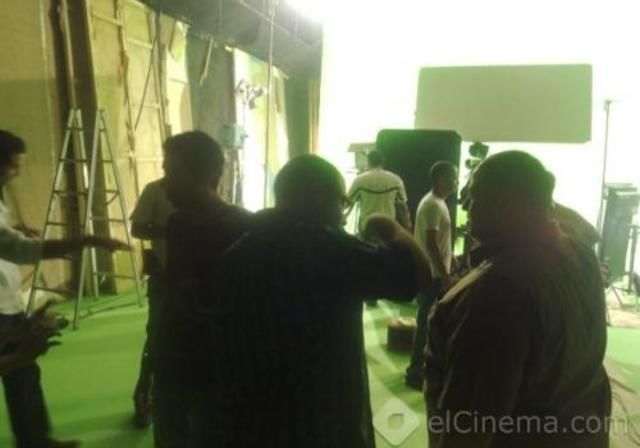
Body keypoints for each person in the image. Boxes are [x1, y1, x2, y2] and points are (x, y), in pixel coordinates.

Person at [202, 154, 430, 448]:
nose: (342, 214)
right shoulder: (330, 248)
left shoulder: (236, 253)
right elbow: (417, 275)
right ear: (320, 198)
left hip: (250, 419)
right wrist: (388, 226)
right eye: (341, 202)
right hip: (322, 420)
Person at [425, 151, 611, 448]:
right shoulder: (581, 257)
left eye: (475, 196)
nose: (468, 206)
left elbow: (468, 429)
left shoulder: (495, 291)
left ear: (506, 204)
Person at [0, 129, 129, 448]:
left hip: (7, 300)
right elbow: (17, 249)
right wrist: (85, 240)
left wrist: (15, 230)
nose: (16, 173)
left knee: (23, 371)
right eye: (12, 165)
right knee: (17, 364)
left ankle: (35, 439)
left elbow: (9, 240)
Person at [152, 131, 252, 448]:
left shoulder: (242, 227)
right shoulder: (178, 224)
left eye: (171, 172)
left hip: (214, 374)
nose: (164, 183)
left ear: (203, 175)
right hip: (176, 366)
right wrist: (151, 365)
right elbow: (172, 299)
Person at [405, 161, 458, 390]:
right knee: (426, 323)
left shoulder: (436, 203)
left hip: (432, 273)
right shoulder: (433, 205)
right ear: (441, 179)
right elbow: (430, 242)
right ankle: (416, 372)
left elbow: (438, 241)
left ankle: (418, 370)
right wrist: (445, 275)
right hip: (432, 276)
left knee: (427, 322)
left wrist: (451, 257)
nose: (456, 182)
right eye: (453, 177)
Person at [130, 177, 176, 428]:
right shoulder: (156, 189)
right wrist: (172, 231)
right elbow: (137, 228)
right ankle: (144, 398)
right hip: (164, 273)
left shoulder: (206, 185)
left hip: (198, 276)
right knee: (157, 336)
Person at [347, 150, 411, 234]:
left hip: (367, 226)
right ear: (382, 162)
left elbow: (347, 202)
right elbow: (402, 206)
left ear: (368, 162)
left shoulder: (360, 180)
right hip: (388, 226)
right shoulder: (395, 179)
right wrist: (408, 227)